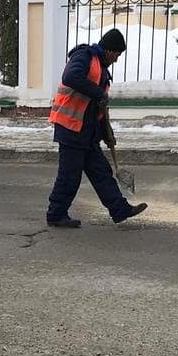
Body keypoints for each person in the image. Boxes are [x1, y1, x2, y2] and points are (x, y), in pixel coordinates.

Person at [46, 28, 147, 228]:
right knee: (69, 176)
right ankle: (56, 214)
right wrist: (98, 93)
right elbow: (71, 77)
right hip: (70, 128)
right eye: (117, 54)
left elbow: (96, 108)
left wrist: (106, 134)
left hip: (87, 132)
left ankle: (120, 209)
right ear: (109, 50)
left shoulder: (102, 70)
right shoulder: (84, 56)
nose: (117, 59)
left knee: (102, 172)